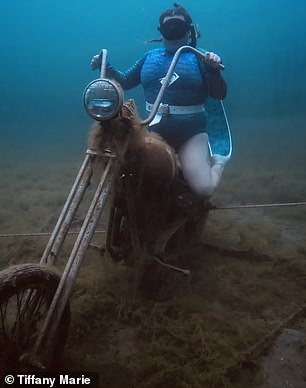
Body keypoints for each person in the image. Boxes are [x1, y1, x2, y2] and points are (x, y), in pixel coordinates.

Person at [91, 3, 228, 198]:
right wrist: (105, 65)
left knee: (203, 189)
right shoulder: (149, 57)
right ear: (161, 31)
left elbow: (219, 94)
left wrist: (213, 71)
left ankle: (218, 162)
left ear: (189, 31)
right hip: (153, 131)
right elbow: (125, 82)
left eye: (178, 27)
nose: (173, 31)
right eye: (168, 27)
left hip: (192, 134)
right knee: (133, 179)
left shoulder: (201, 58)